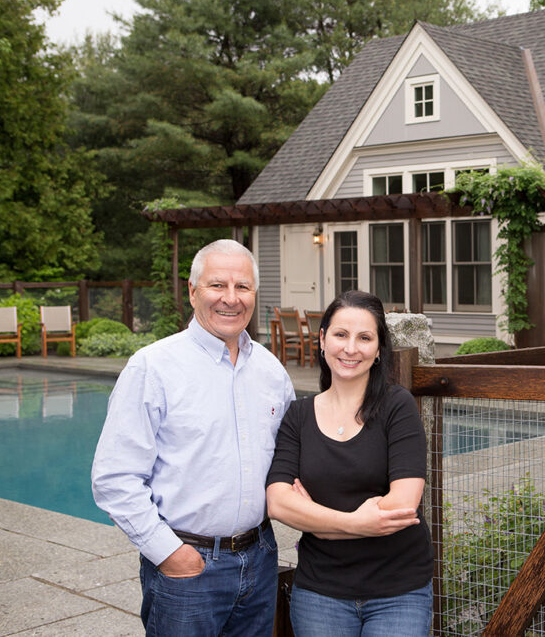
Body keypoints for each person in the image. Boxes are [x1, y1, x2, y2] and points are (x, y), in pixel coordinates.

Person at [92, 239, 295, 636]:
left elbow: (290, 463)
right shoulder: (153, 368)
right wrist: (169, 554)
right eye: (217, 285)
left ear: (255, 293)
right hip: (188, 568)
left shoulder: (272, 373)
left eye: (243, 287)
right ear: (192, 290)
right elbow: (114, 478)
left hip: (260, 558)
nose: (231, 299)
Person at [266, 290, 433, 636]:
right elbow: (278, 502)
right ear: (323, 339)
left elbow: (402, 506)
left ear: (378, 350)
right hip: (320, 591)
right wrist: (357, 523)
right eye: (341, 335)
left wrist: (316, 522)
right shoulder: (298, 415)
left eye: (365, 338)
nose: (351, 348)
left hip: (398, 591)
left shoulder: (397, 407)